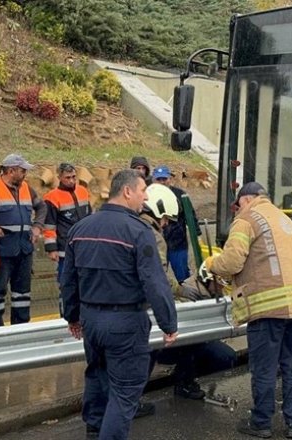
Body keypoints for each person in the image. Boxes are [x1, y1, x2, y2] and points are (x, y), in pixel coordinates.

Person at [60, 169, 178, 440]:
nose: (144, 197)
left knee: (98, 379)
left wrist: (72, 316)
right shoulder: (138, 231)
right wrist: (169, 323)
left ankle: (94, 431)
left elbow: (69, 280)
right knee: (124, 394)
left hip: (91, 321)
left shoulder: (80, 228)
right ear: (127, 192)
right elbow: (155, 283)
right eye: (141, 191)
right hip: (125, 322)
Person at [200, 182, 292, 439]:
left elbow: (231, 261)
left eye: (238, 203)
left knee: (264, 367)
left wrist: (211, 263)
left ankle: (261, 422)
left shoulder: (247, 218)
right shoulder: (284, 219)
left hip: (268, 307)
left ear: (248, 199)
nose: (237, 209)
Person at [139, 183, 236, 401]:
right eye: (164, 219)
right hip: (147, 314)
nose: (165, 225)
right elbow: (157, 278)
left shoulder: (133, 228)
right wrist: (179, 289)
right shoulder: (149, 235)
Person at [0, 154, 47, 327]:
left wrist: (37, 227)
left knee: (22, 293)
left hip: (24, 250)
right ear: (11, 171)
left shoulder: (26, 188)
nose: (25, 174)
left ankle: (21, 327)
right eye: (22, 170)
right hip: (1, 251)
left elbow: (41, 207)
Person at [43, 163, 92, 281]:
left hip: (85, 246)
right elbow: (49, 225)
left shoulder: (83, 191)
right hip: (65, 248)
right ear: (59, 177)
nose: (72, 181)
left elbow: (90, 218)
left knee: (85, 280)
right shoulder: (51, 197)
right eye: (68, 178)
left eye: (74, 177)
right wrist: (51, 248)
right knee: (66, 281)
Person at [152, 165, 201, 283]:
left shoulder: (180, 195)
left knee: (183, 277)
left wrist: (198, 235)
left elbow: (191, 217)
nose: (162, 182)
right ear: (154, 180)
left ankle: (188, 298)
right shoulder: (149, 196)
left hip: (177, 244)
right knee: (156, 277)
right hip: (156, 244)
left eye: (164, 179)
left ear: (170, 178)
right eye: (159, 179)